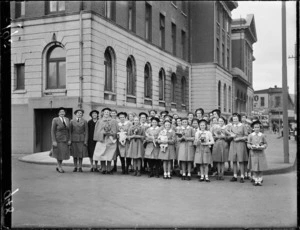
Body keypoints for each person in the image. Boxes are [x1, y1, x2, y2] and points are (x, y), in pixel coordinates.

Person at [93, 107, 118, 174]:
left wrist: (111, 134)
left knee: (109, 154)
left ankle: (109, 169)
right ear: (103, 113)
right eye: (105, 112)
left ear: (110, 113)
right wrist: (102, 133)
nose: (106, 113)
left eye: (108, 112)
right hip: (102, 140)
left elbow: (116, 130)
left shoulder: (113, 121)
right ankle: (103, 168)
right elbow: (97, 130)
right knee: (102, 154)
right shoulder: (99, 121)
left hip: (110, 140)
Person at [227, 113, 248, 183]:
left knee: (241, 161)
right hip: (233, 144)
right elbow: (228, 136)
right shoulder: (231, 126)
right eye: (233, 119)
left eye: (236, 119)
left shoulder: (243, 126)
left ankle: (242, 176)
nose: (235, 120)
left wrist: (239, 138)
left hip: (240, 144)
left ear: (239, 119)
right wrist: (231, 136)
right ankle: (235, 175)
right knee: (234, 160)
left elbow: (246, 136)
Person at [247, 120, 268, 186]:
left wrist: (263, 146)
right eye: (255, 127)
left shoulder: (262, 135)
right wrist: (250, 146)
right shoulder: (250, 135)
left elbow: (266, 144)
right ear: (253, 128)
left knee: (260, 167)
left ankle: (260, 179)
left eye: (258, 127)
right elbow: (248, 144)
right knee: (254, 167)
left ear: (260, 128)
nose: (257, 129)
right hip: (253, 153)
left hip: (260, 153)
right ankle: (256, 179)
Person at [50, 107, 71, 173]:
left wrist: (69, 139)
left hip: (65, 139)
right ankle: (59, 166)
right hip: (58, 139)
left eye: (63, 112)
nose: (62, 113)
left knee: (63, 153)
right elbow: (52, 131)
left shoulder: (67, 119)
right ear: (58, 113)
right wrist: (54, 141)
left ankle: (59, 165)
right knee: (58, 153)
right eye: (61, 112)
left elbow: (69, 131)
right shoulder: (55, 119)